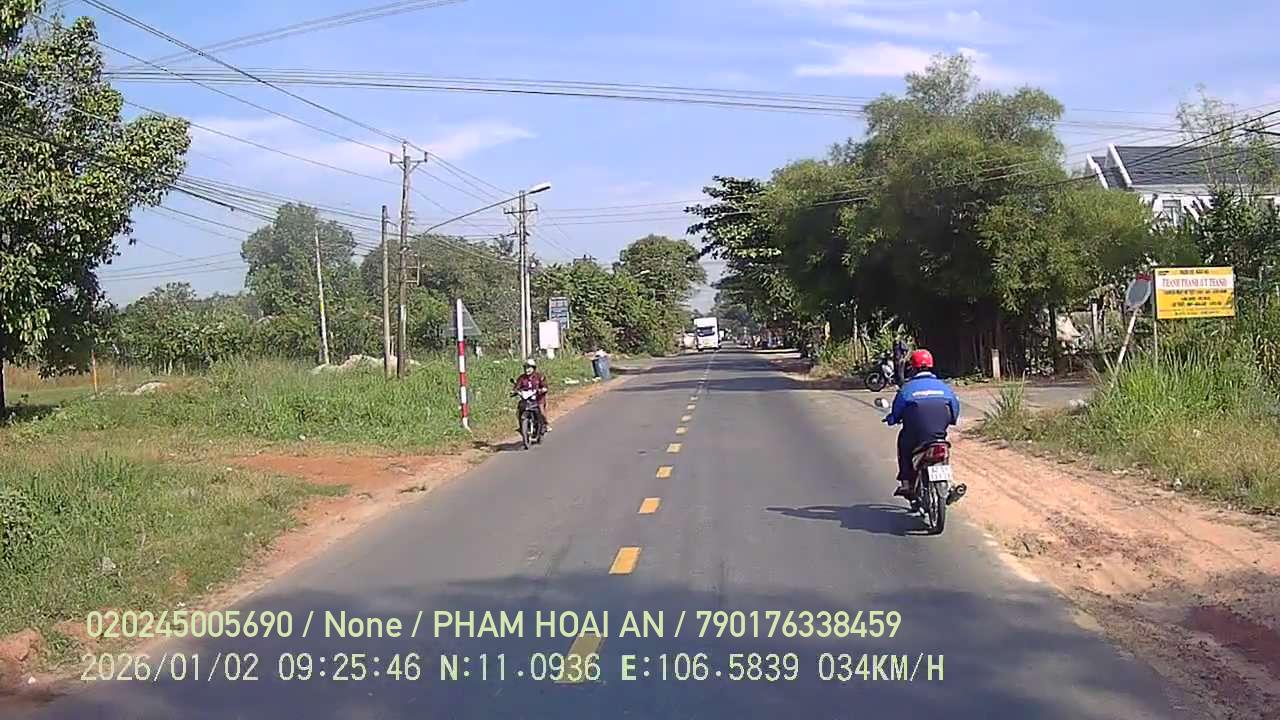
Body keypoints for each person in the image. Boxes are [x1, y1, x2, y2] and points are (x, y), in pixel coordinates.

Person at [882, 349, 959, 498]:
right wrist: (952, 419)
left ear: (912, 367)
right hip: (938, 433)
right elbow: (954, 406)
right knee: (943, 448)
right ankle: (949, 484)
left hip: (915, 435)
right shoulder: (943, 386)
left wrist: (892, 419)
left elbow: (896, 412)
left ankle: (906, 482)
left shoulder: (907, 388)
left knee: (903, 443)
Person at [513, 358, 550, 433]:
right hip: (526, 399)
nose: (527, 370)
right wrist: (514, 391)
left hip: (538, 398)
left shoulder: (540, 376)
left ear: (533, 368)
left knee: (541, 412)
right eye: (525, 368)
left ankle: (545, 424)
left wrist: (542, 389)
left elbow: (544, 386)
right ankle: (522, 426)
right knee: (520, 409)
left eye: (529, 368)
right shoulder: (521, 378)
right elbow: (517, 386)